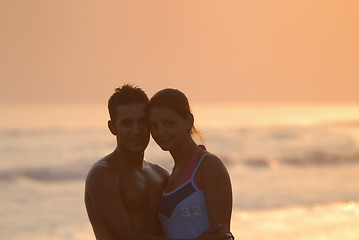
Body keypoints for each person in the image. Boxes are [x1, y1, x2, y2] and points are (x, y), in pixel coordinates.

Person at [85, 84, 232, 240]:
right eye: (127, 123)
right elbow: (124, 237)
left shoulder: (161, 175)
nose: (136, 130)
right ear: (112, 127)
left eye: (143, 122)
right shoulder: (103, 174)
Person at [148, 88, 233, 240]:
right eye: (154, 126)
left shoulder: (209, 166)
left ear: (188, 121)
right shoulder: (169, 177)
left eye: (169, 123)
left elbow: (222, 236)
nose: (160, 132)